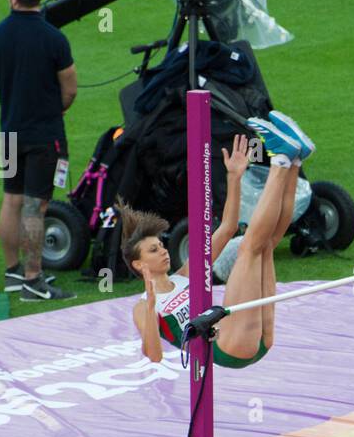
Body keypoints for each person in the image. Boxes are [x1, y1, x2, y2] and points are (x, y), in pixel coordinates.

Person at [123, 112, 312, 368]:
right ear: (138, 264)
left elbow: (227, 228)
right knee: (249, 248)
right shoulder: (142, 305)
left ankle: (293, 161)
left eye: (162, 245)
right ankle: (280, 159)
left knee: (265, 245)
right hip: (227, 347)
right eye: (154, 250)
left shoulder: (186, 274)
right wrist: (151, 306)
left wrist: (234, 177)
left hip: (253, 338)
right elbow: (154, 355)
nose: (164, 251)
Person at [0, 0, 77, 301]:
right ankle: (33, 280)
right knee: (35, 206)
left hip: (10, 132)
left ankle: (13, 272)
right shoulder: (54, 38)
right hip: (44, 135)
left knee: (11, 199)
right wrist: (54, 107)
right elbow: (70, 89)